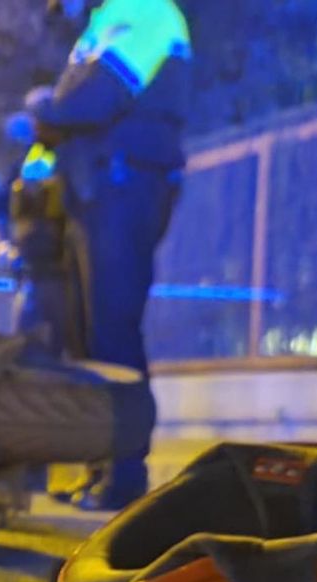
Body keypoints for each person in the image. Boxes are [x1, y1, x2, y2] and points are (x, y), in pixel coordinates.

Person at [26, 0, 191, 510]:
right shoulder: (102, 22)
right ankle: (102, 467)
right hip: (93, 190)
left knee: (114, 330)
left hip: (125, 187)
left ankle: (124, 474)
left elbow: (93, 100)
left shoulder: (149, 13)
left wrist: (43, 107)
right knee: (90, 335)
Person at [0, 111, 85, 359]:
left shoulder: (73, 158)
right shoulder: (32, 162)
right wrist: (3, 244)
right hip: (37, 271)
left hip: (64, 273)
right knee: (31, 348)